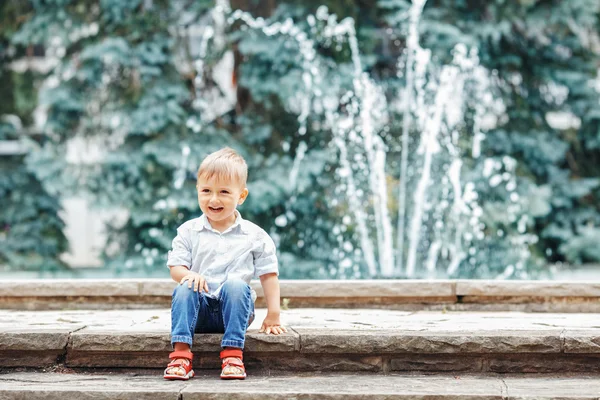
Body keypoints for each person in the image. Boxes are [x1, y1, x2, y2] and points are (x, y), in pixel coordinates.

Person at [163, 147, 287, 381]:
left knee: (236, 285)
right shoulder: (189, 231)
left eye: (224, 192)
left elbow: (268, 275)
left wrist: (274, 314)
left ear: (241, 196)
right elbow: (176, 268)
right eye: (206, 191)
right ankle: (180, 356)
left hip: (234, 311)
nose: (214, 199)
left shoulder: (255, 235)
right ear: (197, 191)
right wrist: (188, 276)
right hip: (197, 312)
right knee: (184, 286)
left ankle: (232, 355)